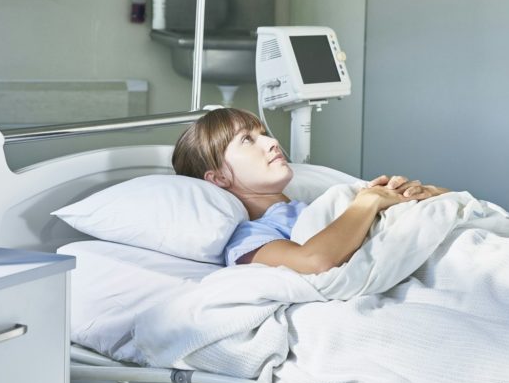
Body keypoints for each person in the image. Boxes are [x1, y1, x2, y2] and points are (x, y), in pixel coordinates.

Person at [172, 108, 447, 274]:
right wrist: (367, 204)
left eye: (263, 133)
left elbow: (452, 206)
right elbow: (314, 260)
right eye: (248, 139)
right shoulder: (250, 237)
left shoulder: (315, 207)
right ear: (218, 177)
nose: (272, 142)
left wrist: (419, 194)